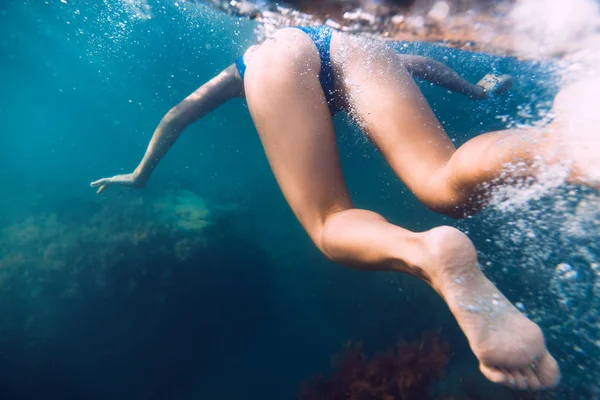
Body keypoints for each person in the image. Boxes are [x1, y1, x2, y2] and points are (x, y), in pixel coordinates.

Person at [91, 26, 597, 391]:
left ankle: (428, 254)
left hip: (277, 62)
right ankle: (561, 145)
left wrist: (140, 173)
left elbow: (179, 114)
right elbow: (425, 66)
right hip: (355, 41)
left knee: (330, 222)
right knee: (442, 180)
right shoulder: (354, 33)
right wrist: (477, 90)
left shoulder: (254, 55)